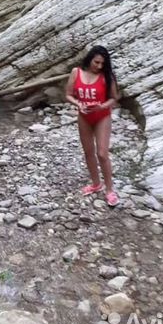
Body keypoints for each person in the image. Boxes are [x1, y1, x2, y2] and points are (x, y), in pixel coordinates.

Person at [65, 45, 120, 207]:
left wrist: (101, 106)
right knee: (88, 152)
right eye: (96, 62)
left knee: (102, 153)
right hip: (84, 116)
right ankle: (96, 183)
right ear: (90, 59)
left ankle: (110, 190)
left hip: (102, 116)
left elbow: (114, 98)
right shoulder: (76, 72)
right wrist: (79, 104)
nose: (99, 66)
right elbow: (68, 95)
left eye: (102, 63)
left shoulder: (107, 76)